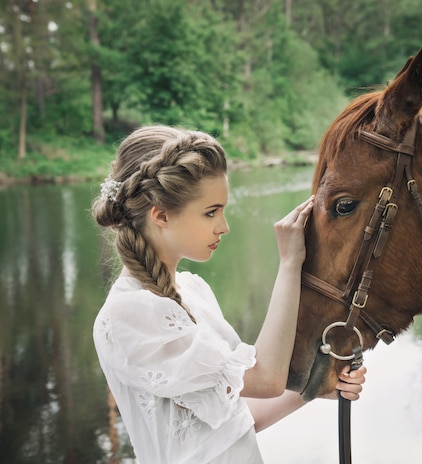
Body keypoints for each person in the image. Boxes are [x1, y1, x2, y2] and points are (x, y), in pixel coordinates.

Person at [91, 125, 366, 464]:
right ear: (160, 215)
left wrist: (318, 385)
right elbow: (266, 379)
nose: (223, 226)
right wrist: (290, 263)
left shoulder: (193, 291)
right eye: (211, 212)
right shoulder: (129, 314)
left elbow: (236, 420)